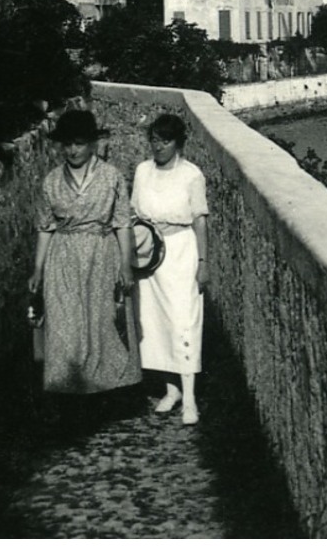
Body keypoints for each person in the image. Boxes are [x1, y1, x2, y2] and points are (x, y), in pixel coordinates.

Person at [29, 109, 142, 397]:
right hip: (63, 259)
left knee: (101, 322)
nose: (72, 150)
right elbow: (45, 227)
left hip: (101, 256)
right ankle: (68, 390)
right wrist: (39, 269)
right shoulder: (51, 181)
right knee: (65, 325)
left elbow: (122, 223)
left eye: (78, 143)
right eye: (67, 144)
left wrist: (126, 266)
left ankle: (103, 391)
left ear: (92, 144)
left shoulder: (111, 177)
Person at [131, 112, 209, 425]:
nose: (159, 146)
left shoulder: (192, 175)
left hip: (180, 251)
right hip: (150, 254)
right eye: (155, 140)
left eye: (166, 141)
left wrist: (203, 263)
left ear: (178, 143)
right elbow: (134, 213)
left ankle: (190, 397)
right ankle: (171, 388)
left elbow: (200, 220)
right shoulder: (142, 171)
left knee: (183, 319)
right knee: (155, 322)